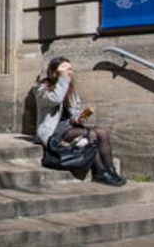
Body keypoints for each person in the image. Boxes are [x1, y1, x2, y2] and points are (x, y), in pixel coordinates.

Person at [33, 57, 125, 186]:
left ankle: (110, 170)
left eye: (70, 69)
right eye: (65, 69)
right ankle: (100, 172)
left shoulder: (70, 89)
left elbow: (73, 114)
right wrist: (63, 79)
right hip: (52, 131)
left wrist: (79, 117)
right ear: (54, 71)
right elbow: (55, 99)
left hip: (68, 127)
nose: (69, 72)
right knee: (91, 134)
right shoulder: (41, 88)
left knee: (101, 132)